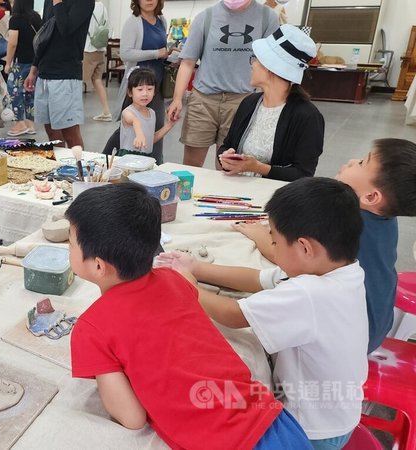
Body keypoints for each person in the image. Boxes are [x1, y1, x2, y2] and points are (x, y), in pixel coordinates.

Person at [66, 183, 311, 449]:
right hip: (275, 421)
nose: (68, 248)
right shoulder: (173, 279)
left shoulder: (92, 328)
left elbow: (133, 418)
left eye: (70, 242)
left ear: (99, 265)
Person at [157, 177, 367, 449]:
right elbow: (259, 278)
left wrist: (189, 286)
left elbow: (233, 314)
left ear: (305, 247)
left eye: (275, 243)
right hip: (338, 412)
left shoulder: (310, 293)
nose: (273, 249)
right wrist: (197, 268)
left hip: (311, 427)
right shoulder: (342, 271)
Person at [233, 138, 416, 354]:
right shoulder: (386, 218)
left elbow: (283, 255)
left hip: (351, 339)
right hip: (377, 323)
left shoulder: (344, 223)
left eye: (361, 163)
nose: (351, 161)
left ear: (372, 197)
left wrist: (260, 235)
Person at [167, 0, 278, 167]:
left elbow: (272, 63)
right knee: (191, 166)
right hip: (203, 100)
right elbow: (188, 62)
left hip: (242, 101)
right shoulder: (206, 17)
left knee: (227, 166)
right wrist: (177, 99)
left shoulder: (267, 17)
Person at [216, 25, 324, 181]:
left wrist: (258, 168)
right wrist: (226, 157)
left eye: (256, 59)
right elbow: (227, 144)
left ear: (271, 67)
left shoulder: (307, 116)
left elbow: (303, 174)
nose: (252, 64)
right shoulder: (250, 103)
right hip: (237, 188)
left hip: (277, 198)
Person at [25, 0, 94, 149]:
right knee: (52, 133)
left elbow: (66, 28)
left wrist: (57, 2)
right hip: (44, 73)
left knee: (70, 132)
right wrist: (34, 68)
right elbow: (44, 34)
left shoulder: (85, 2)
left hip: (66, 74)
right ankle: (59, 169)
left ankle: (79, 169)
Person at [118, 0, 167, 161]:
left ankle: (155, 164)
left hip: (156, 85)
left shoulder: (162, 21)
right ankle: (121, 161)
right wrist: (156, 53)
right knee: (129, 126)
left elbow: (162, 53)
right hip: (138, 85)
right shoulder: (133, 22)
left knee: (155, 126)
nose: (149, 0)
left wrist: (169, 55)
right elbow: (125, 53)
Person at [3, 0, 40, 136]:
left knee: (14, 92)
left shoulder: (15, 19)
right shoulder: (36, 17)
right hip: (34, 63)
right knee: (30, 92)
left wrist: (8, 63)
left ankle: (20, 123)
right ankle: (30, 124)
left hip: (21, 64)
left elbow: (12, 43)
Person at [119, 68, 176, 156]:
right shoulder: (127, 112)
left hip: (146, 157)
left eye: (149, 89)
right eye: (140, 89)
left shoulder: (152, 113)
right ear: (130, 92)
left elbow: (150, 140)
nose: (145, 93)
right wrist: (139, 134)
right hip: (128, 157)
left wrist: (169, 125)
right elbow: (134, 120)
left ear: (154, 92)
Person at [83, 0, 111, 122]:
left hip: (88, 48)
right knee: (97, 80)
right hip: (100, 48)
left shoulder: (85, 5)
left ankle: (73, 114)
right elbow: (106, 25)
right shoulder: (102, 7)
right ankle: (106, 111)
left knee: (78, 82)